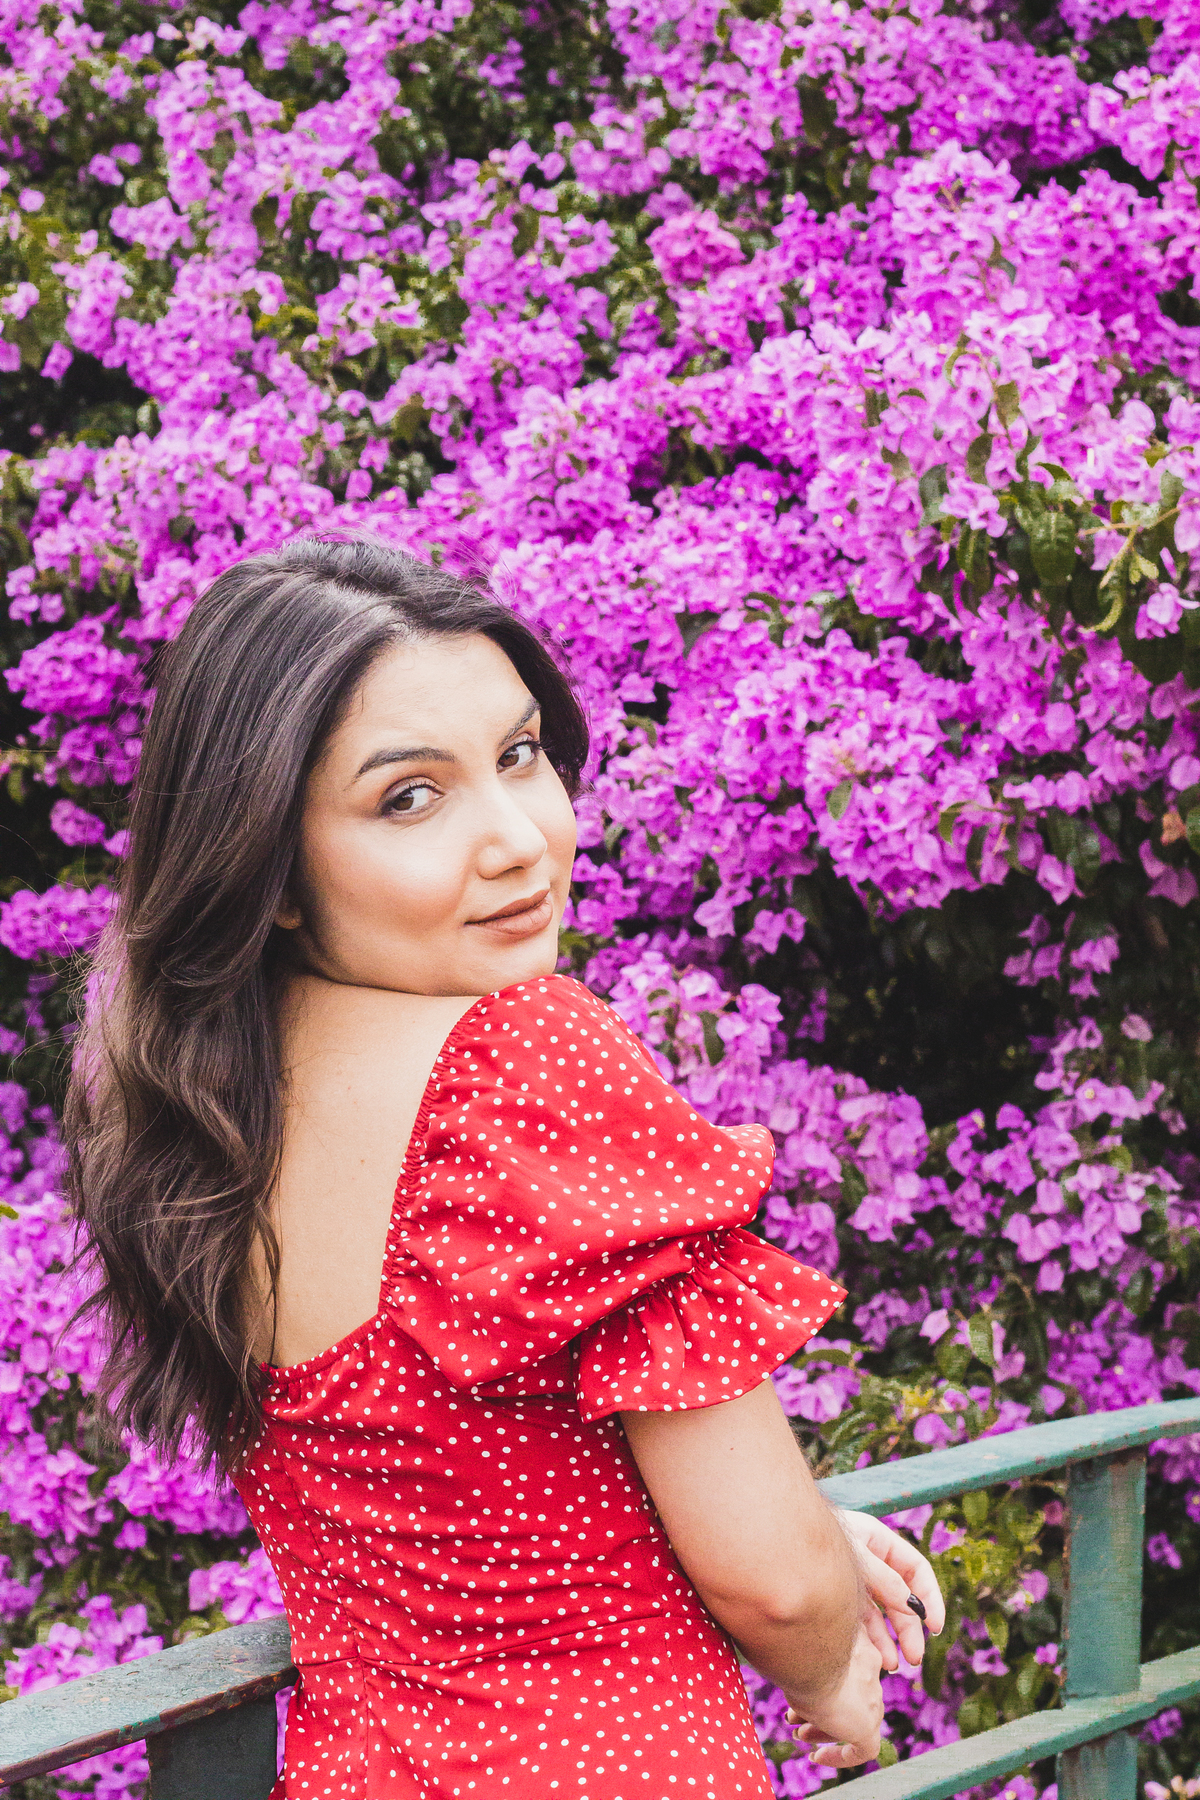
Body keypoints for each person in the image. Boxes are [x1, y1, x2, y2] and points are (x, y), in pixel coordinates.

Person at [66, 537, 944, 1800]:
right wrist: (828, 1677)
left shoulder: (200, 1108)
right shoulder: (520, 1058)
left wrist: (786, 1536)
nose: (520, 840)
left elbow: (466, 1501)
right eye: (409, 797)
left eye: (520, 756)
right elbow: (773, 1578)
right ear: (272, 869)